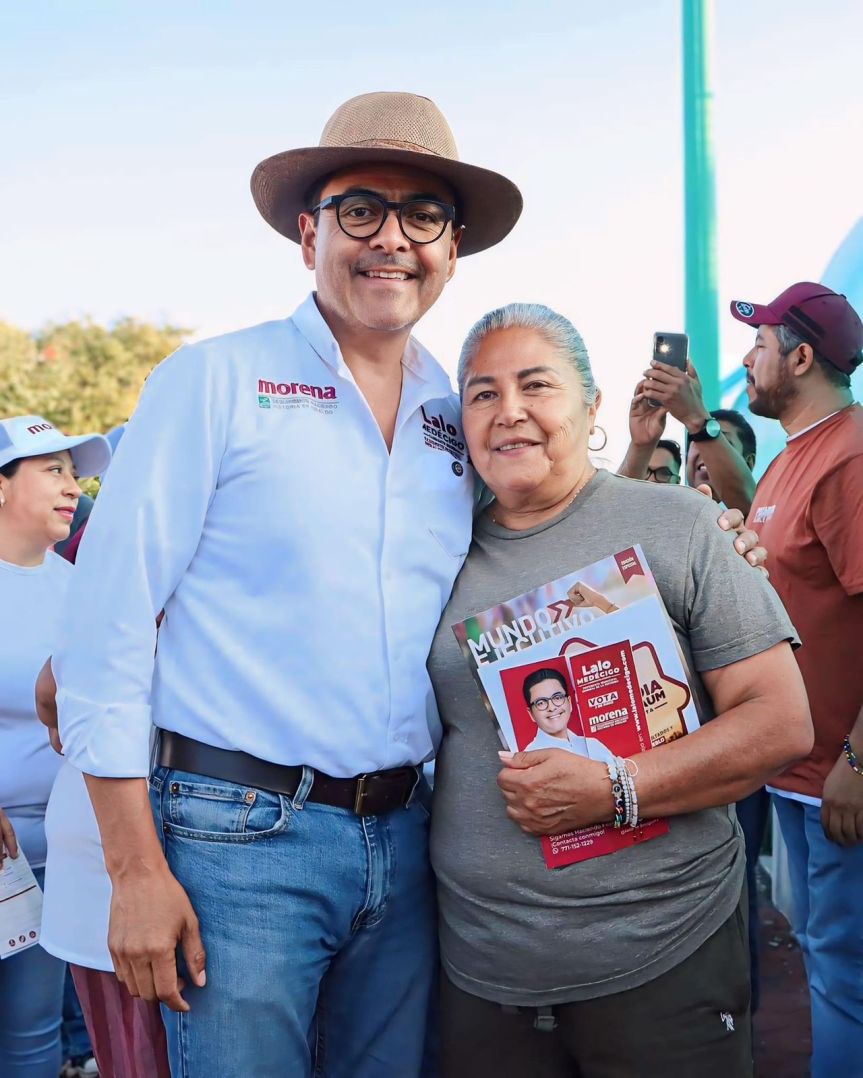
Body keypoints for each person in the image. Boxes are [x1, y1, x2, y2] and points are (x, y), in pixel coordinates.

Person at [46, 91, 522, 1078]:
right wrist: (135, 871)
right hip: (237, 839)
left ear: (452, 247)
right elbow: (106, 626)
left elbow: (528, 543)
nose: (391, 238)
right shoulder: (213, 379)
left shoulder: (456, 414)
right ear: (309, 234)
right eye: (361, 209)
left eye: (422, 214)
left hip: (407, 837)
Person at [427, 303, 812, 1078]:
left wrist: (615, 788)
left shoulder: (680, 525)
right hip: (482, 972)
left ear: (591, 405)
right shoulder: (432, 548)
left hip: (660, 956)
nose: (509, 411)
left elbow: (779, 722)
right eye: (482, 393)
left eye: (536, 385)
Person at [733, 281, 863, 1078]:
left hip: (839, 780)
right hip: (796, 772)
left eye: (758, 344)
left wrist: (858, 759)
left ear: (801, 357)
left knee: (843, 976)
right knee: (825, 963)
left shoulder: (849, 456)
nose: (747, 358)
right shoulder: (789, 457)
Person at [0, 414, 110, 1078]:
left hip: (58, 855)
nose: (73, 487)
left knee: (32, 1033)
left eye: (74, 473)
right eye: (52, 471)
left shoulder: (79, 589)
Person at [620, 357, 756, 513]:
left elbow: (751, 505)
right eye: (696, 438)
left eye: (720, 438)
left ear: (749, 462)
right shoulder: (666, 516)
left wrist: (697, 419)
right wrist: (641, 445)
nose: (705, 448)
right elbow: (613, 514)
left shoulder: (761, 517)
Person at [521, 668, 613, 761]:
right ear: (531, 714)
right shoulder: (529, 759)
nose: (552, 708)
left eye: (557, 697)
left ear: (570, 703)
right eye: (541, 703)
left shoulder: (593, 745)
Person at [685, 409, 756, 504]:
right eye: (698, 439)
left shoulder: (763, 511)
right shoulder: (668, 508)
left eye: (723, 441)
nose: (706, 448)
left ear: (748, 463)